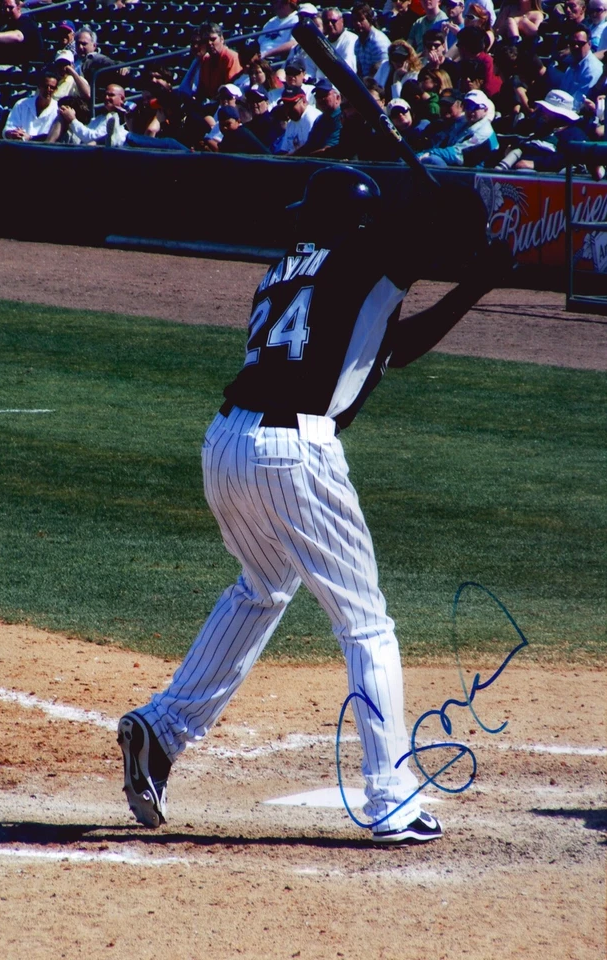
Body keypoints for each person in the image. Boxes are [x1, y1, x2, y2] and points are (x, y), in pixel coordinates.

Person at [116, 164, 510, 845]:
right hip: (294, 453)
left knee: (264, 588)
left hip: (228, 443)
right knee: (367, 625)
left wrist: (475, 282)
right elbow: (424, 236)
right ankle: (389, 797)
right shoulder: (362, 255)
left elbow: (394, 347)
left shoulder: (287, 271)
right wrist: (459, 197)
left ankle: (162, 728)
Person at [419, 86, 499, 162]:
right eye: (467, 106)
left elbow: (458, 154)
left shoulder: (484, 133)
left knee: (433, 160)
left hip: (473, 172)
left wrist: (431, 153)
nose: (470, 110)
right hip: (459, 169)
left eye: (474, 106)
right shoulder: (465, 124)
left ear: (485, 109)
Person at [0, 0, 43, 66]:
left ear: (18, 8)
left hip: (29, 65)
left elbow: (18, 36)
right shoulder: (5, 25)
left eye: (10, 7)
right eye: (4, 8)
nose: (7, 10)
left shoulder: (26, 22)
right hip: (9, 64)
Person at [3, 71, 60, 139]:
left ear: (56, 90)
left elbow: (52, 137)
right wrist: (12, 134)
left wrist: (30, 138)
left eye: (52, 87)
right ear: (39, 86)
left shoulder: (57, 109)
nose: (48, 89)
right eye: (45, 86)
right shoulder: (21, 104)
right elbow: (8, 128)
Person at [294, 76, 343, 152]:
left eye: (325, 95)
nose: (321, 99)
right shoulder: (319, 120)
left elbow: (328, 151)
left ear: (337, 97)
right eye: (318, 96)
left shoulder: (341, 117)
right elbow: (308, 146)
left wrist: (307, 157)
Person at [196, 22, 242, 103]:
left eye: (213, 39)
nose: (209, 43)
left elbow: (230, 91)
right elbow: (201, 89)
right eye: (205, 40)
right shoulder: (205, 59)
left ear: (222, 39)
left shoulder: (231, 58)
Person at [560, 25, 602, 106]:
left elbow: (578, 104)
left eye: (580, 43)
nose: (576, 46)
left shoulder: (592, 70)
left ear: (589, 44)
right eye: (573, 43)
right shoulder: (573, 63)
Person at [273, 83, 322, 152]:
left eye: (291, 104)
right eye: (285, 105)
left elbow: (310, 149)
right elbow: (284, 150)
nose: (288, 109)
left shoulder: (313, 118)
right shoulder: (291, 122)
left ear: (304, 101)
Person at [351, 3, 391, 76]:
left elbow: (383, 73)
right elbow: (359, 72)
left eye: (361, 20)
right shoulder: (357, 43)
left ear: (369, 19)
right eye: (355, 20)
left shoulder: (379, 41)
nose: (358, 23)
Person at [320, 6, 359, 72]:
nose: (330, 24)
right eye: (326, 22)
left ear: (342, 21)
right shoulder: (322, 41)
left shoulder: (351, 39)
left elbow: (348, 69)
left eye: (333, 21)